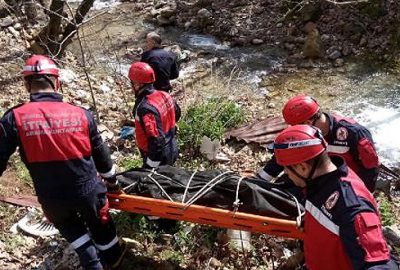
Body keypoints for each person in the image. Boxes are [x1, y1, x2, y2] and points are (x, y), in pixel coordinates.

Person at [0, 55, 125, 270]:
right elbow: (102, 157)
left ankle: (92, 261)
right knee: (102, 227)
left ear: (27, 84)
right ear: (56, 82)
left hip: (51, 198)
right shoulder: (81, 114)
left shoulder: (14, 118)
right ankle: (113, 259)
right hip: (88, 191)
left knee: (70, 227)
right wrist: (112, 182)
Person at [273, 125, 396, 270]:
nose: (286, 173)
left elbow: (379, 264)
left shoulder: (352, 208)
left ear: (302, 167)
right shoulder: (319, 182)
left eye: (286, 168)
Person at [258, 95, 379, 192]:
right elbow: (285, 154)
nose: (292, 129)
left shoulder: (355, 133)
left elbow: (371, 168)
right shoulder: (304, 133)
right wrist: (260, 180)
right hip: (312, 176)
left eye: (294, 126)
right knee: (281, 189)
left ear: (308, 122)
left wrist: (362, 194)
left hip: (344, 182)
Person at [129, 61, 180, 168]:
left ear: (138, 84)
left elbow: (156, 141)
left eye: (132, 83)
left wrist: (150, 167)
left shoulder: (145, 108)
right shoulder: (165, 94)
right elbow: (177, 113)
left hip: (160, 158)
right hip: (172, 147)